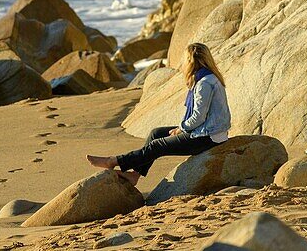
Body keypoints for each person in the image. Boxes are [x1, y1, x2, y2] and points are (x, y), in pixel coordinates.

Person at [86, 43, 231, 185]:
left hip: (208, 137)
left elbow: (199, 117)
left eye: (184, 59)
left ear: (190, 61)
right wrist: (182, 129)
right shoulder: (206, 77)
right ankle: (134, 175)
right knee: (156, 133)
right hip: (206, 130)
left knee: (157, 146)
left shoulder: (204, 83)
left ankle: (114, 161)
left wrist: (181, 129)